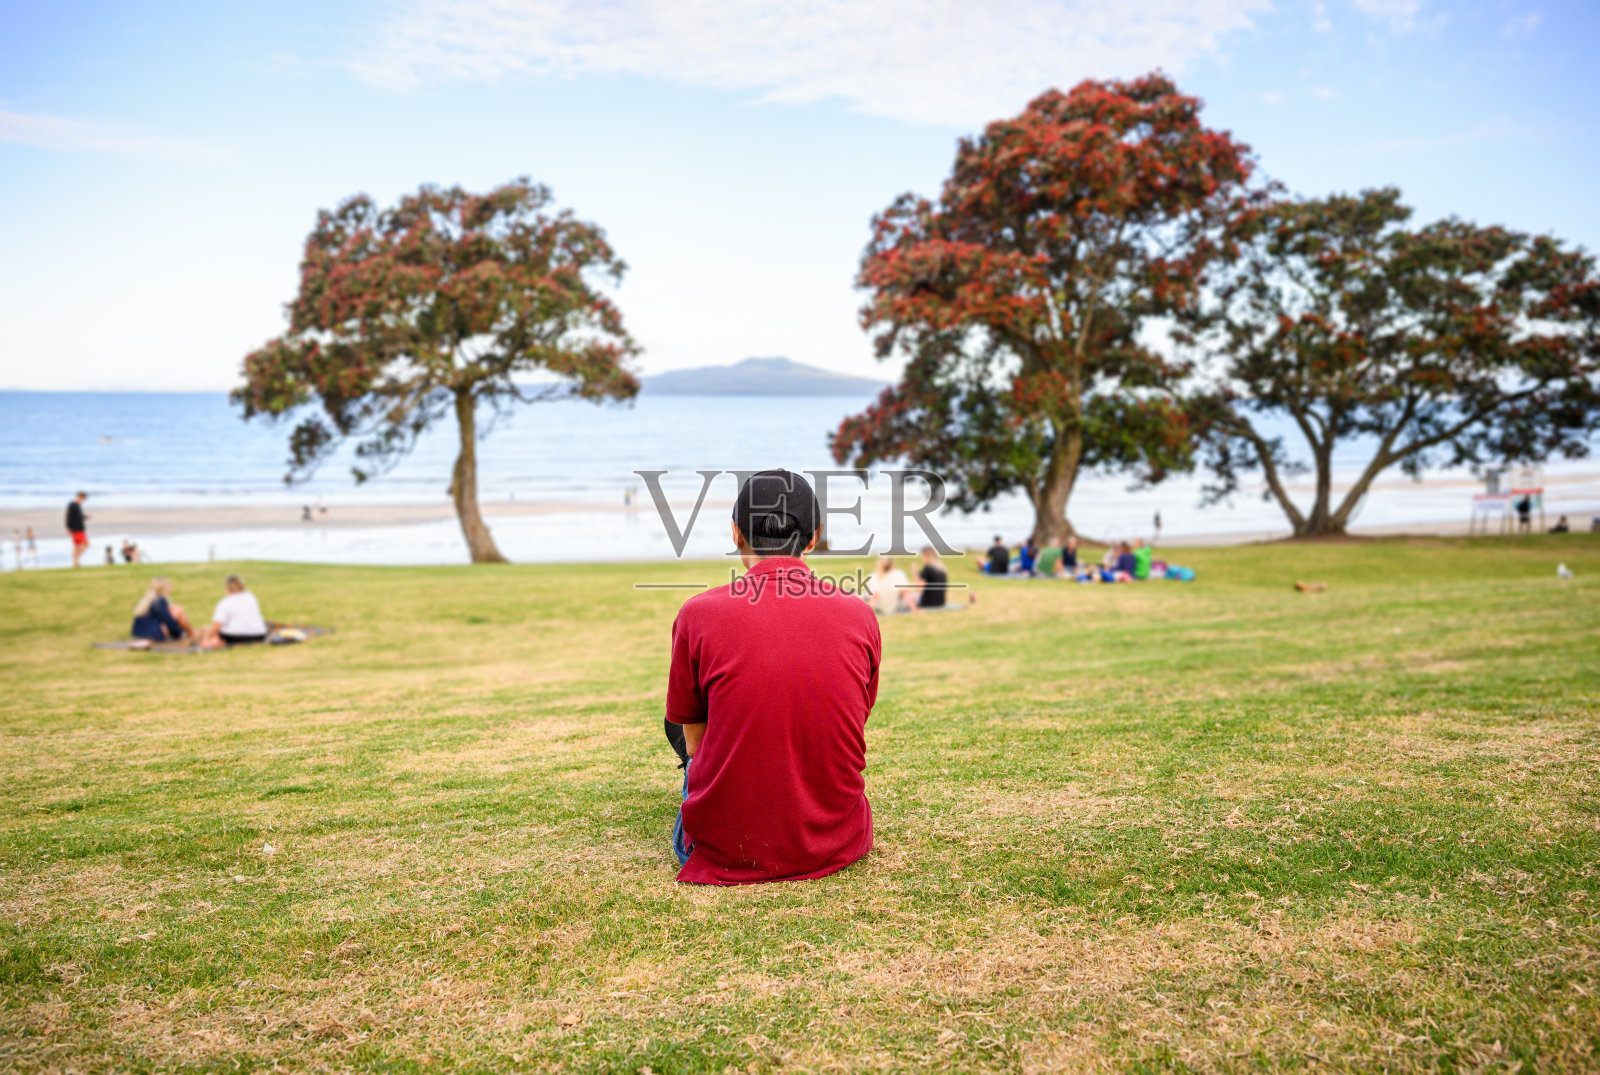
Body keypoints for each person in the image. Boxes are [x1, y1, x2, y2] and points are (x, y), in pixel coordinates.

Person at [662, 469, 880, 885]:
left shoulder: (698, 614)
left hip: (727, 851)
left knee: (679, 721)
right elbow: (855, 715)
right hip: (837, 841)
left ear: (735, 533)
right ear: (814, 538)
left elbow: (694, 744)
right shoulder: (860, 614)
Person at [199, 575, 269, 649]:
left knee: (217, 635)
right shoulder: (251, 596)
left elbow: (217, 626)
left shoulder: (225, 602)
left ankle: (216, 643)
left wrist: (207, 639)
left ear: (227, 588)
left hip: (235, 637)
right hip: (259, 635)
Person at [131, 577, 193, 641]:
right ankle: (191, 633)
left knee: (174, 609)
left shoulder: (147, 601)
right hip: (153, 634)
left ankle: (191, 633)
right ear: (164, 588)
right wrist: (179, 634)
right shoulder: (160, 601)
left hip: (139, 634)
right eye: (169, 586)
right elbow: (168, 620)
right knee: (178, 610)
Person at [65, 491, 89, 569]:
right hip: (76, 529)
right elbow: (68, 517)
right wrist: (68, 528)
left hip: (80, 528)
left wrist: (84, 517)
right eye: (83, 499)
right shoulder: (72, 505)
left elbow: (78, 517)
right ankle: (75, 560)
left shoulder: (78, 505)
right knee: (83, 545)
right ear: (80, 497)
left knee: (78, 546)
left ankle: (76, 561)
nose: (83, 501)